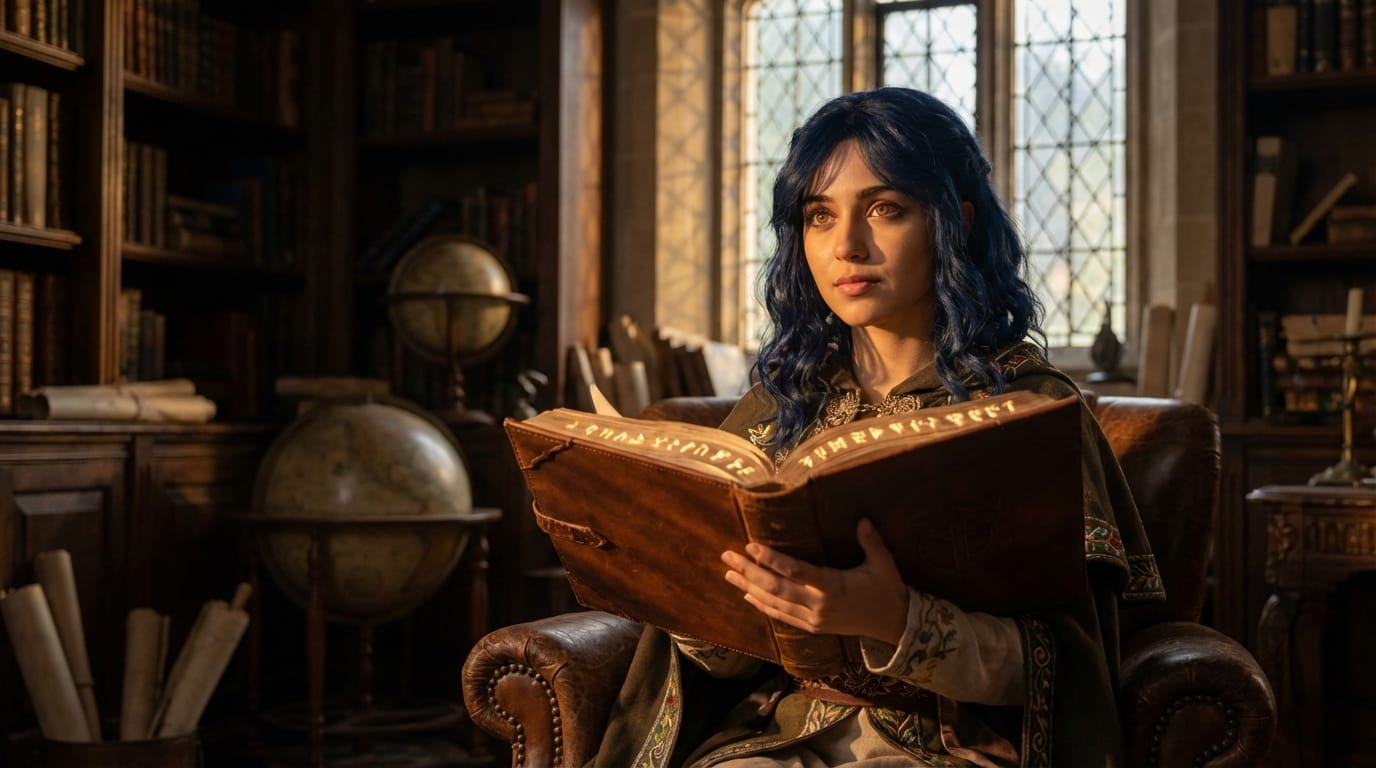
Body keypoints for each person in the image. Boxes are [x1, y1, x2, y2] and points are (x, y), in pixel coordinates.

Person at [590, 86, 1161, 767]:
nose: (847, 247)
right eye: (819, 217)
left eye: (885, 209)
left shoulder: (1028, 412)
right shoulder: (776, 408)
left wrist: (890, 619)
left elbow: (1069, 669)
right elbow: (726, 665)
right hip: (775, 740)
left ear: (955, 222)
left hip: (952, 749)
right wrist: (672, 577)